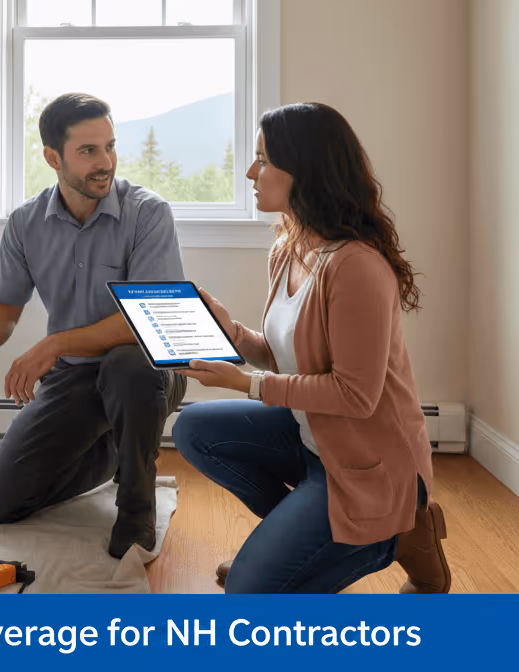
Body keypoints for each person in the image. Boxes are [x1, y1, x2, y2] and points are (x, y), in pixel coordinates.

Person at [171, 102, 450, 594]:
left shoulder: (356, 266)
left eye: (263, 159)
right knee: (194, 427)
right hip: (311, 442)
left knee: (248, 596)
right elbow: (288, 358)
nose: (252, 172)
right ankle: (298, 533)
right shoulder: (290, 246)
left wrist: (246, 384)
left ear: (305, 170)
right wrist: (233, 335)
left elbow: (356, 396)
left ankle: (397, 530)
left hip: (371, 468)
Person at [0, 93, 188, 558]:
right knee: (3, 502)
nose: (104, 161)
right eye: (88, 151)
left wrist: (58, 341)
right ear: (52, 157)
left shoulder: (148, 213)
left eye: (109, 146)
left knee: (127, 365)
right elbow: (1, 309)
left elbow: (151, 319)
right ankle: (114, 450)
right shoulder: (27, 222)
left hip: (147, 370)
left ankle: (136, 505)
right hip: (75, 375)